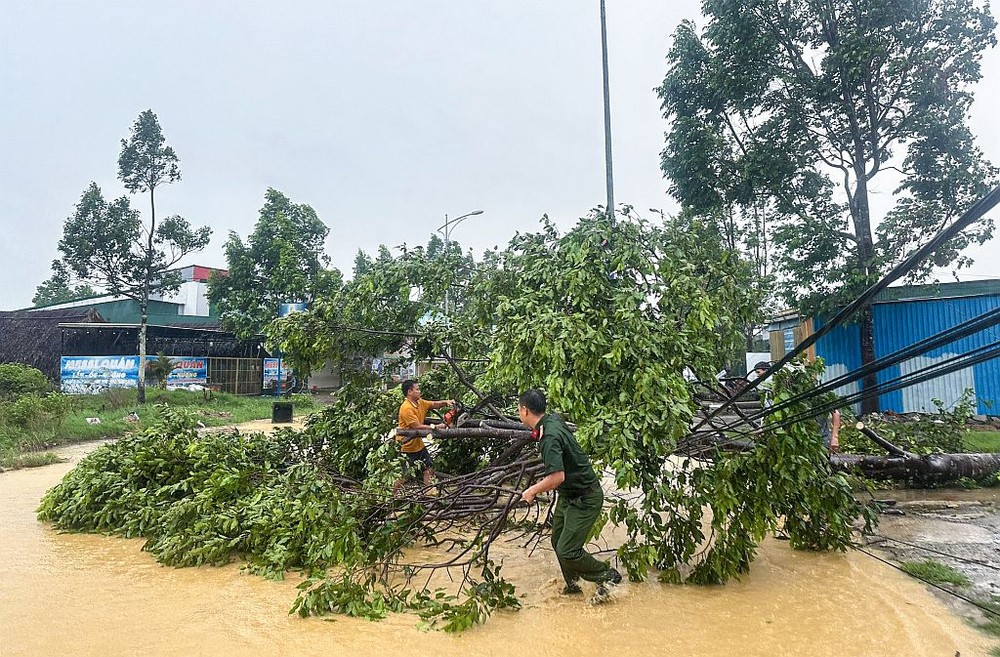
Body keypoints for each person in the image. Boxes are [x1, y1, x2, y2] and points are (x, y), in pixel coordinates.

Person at [518, 388, 622, 601]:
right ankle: (574, 586)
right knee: (558, 541)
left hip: (585, 498)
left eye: (519, 409)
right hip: (569, 496)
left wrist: (531, 490)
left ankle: (608, 576)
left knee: (567, 550)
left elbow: (557, 477)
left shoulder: (549, 437)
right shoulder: (551, 421)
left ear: (525, 410)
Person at [394, 379, 454, 494]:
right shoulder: (406, 408)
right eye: (417, 389)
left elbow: (433, 404)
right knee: (405, 476)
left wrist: (446, 402)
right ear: (409, 392)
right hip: (407, 447)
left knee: (428, 468)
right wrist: (436, 427)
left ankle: (429, 493)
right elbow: (417, 427)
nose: (419, 391)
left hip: (418, 445)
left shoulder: (420, 402)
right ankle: (390, 496)